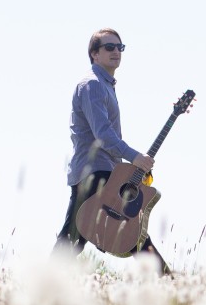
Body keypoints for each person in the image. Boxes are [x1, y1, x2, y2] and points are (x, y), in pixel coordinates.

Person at [53, 28, 171, 273]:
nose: (116, 51)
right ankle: (170, 282)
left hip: (105, 171)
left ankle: (42, 285)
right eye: (109, 47)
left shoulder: (105, 85)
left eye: (120, 47)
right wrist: (136, 158)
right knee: (79, 236)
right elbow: (104, 135)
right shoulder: (93, 85)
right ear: (94, 54)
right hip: (93, 172)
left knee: (86, 236)